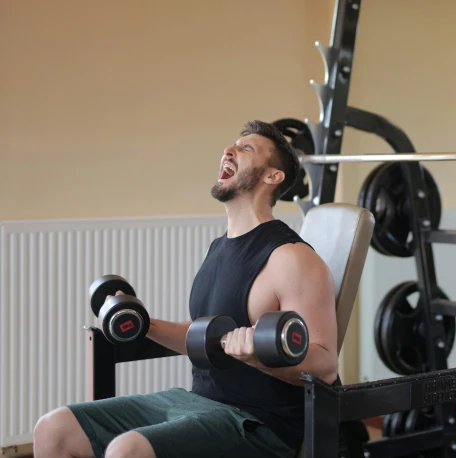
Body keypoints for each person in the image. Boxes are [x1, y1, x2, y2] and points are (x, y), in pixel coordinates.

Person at [34, 121, 338, 458]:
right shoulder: (216, 249)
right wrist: (143, 323)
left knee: (128, 449)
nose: (230, 150)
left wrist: (257, 357)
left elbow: (325, 366)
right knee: (53, 429)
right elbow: (206, 337)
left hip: (258, 425)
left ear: (272, 176)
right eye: (232, 145)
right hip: (196, 403)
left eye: (247, 148)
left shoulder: (292, 258)